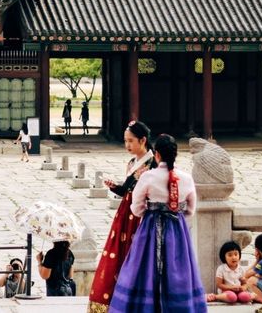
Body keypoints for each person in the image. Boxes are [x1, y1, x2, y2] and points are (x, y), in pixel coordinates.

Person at [107, 134, 205, 313]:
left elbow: (136, 207)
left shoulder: (148, 177)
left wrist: (151, 212)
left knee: (144, 268)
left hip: (151, 227)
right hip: (177, 229)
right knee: (177, 269)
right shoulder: (186, 178)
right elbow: (191, 209)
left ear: (157, 154)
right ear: (176, 155)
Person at [87, 120, 156, 313]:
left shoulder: (153, 163)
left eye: (130, 141)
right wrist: (114, 187)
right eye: (125, 141)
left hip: (142, 213)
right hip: (126, 212)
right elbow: (127, 189)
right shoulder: (133, 162)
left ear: (143, 140)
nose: (127, 145)